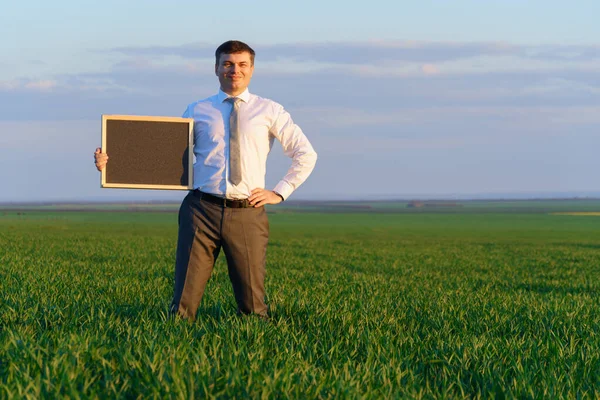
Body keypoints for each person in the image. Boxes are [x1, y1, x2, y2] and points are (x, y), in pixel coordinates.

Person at [94, 40, 317, 320]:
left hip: (248, 213)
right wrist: (111, 163)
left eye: (241, 64)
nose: (234, 70)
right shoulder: (197, 110)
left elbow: (305, 154)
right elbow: (163, 157)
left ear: (252, 69)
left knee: (253, 307)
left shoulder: (270, 110)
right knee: (182, 306)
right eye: (227, 64)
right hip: (200, 211)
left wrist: (280, 192)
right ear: (216, 68)